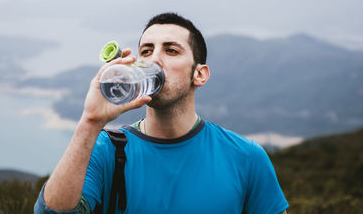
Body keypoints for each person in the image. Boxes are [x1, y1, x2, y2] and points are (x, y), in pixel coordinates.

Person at [35, 12, 289, 214]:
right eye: (146, 51)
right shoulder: (107, 150)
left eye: (171, 50)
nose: (154, 60)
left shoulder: (245, 156)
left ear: (199, 75)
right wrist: (90, 122)